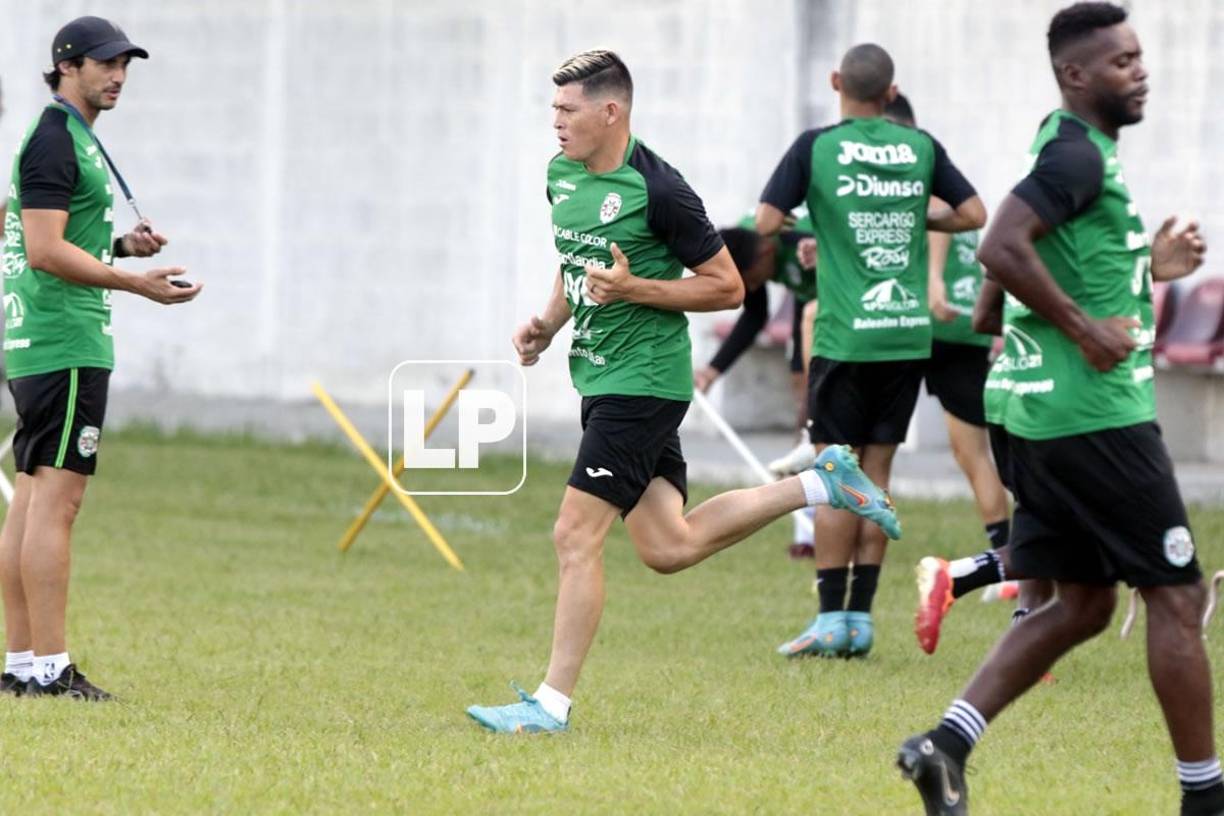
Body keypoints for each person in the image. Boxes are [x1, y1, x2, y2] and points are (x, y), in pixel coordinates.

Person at [465, 50, 899, 734]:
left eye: (567, 111)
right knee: (669, 547)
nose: (555, 123)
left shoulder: (661, 190)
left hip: (644, 383)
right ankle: (821, 485)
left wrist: (636, 288)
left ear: (611, 112)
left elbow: (727, 285)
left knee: (574, 535)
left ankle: (549, 706)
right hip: (602, 374)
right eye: (552, 110)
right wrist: (548, 324)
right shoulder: (562, 174)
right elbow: (577, 254)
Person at [897, 5, 1218, 815]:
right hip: (1095, 418)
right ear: (1076, 76)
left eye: (1140, 58)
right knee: (1176, 597)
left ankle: (946, 746)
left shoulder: (1063, 149)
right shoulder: (1078, 156)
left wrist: (1148, 266)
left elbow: (998, 295)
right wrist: (1082, 330)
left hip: (1034, 413)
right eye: (1120, 62)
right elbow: (998, 246)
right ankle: (1205, 799)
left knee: (1080, 603)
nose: (1138, 71)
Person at [758, 44, 985, 659]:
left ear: (836, 82)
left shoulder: (816, 146)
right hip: (905, 332)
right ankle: (862, 619)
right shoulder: (921, 147)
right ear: (891, 93)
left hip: (843, 335)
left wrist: (825, 225)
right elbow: (973, 213)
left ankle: (831, 619)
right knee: (878, 472)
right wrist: (913, 217)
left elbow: (765, 220)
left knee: (835, 475)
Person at [0, 16, 202, 700]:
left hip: (44, 340)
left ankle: (24, 664)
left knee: (31, 498)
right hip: (66, 340)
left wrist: (119, 248)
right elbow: (43, 250)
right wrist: (136, 285)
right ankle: (51, 670)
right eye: (105, 64)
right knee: (59, 501)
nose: (117, 77)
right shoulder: (55, 140)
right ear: (67, 66)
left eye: (125, 66)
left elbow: (56, 235)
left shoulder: (70, 139)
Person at [694, 209, 818, 557]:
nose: (746, 288)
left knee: (819, 406)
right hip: (808, 305)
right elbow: (754, 315)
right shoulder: (743, 247)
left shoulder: (795, 239)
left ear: (767, 253)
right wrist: (712, 372)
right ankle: (806, 528)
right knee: (803, 403)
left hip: (842, 302)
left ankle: (835, 515)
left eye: (748, 280)